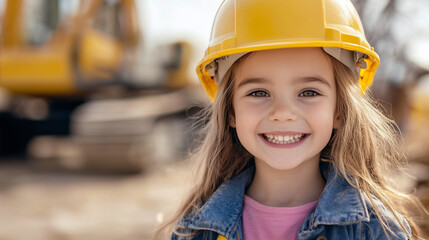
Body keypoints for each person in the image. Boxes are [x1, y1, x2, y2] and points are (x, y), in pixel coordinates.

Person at [159, 0, 423, 239]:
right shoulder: (195, 230)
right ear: (231, 112)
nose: (282, 112)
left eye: (308, 92)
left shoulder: (376, 230)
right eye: (258, 92)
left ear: (340, 111)